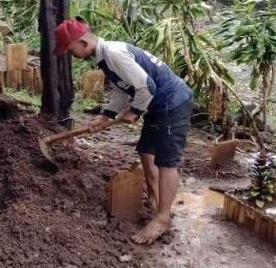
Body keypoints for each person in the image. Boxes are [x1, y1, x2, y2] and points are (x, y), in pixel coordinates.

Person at [53, 18, 193, 244]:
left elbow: (147, 86)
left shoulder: (114, 53)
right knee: (146, 152)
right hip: (157, 104)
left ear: (82, 42)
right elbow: (122, 90)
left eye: (71, 51)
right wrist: (106, 115)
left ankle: (162, 219)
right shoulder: (105, 58)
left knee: (166, 162)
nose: (72, 55)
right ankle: (157, 202)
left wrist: (135, 111)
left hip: (173, 103)